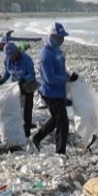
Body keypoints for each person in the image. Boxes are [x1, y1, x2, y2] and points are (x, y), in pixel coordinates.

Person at [32, 22, 78, 155]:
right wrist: (67, 79)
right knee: (63, 122)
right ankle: (60, 152)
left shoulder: (58, 52)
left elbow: (61, 70)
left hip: (59, 92)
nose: (61, 40)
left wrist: (69, 75)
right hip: (50, 93)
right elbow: (49, 78)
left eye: (62, 37)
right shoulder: (46, 54)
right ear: (51, 36)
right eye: (59, 37)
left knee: (57, 119)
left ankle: (37, 137)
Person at [0, 42, 37, 137]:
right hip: (16, 85)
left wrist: (24, 79)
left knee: (27, 108)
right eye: (9, 56)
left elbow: (32, 75)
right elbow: (7, 73)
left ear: (17, 52)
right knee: (16, 106)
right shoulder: (7, 60)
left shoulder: (26, 59)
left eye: (12, 55)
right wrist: (1, 81)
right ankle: (18, 125)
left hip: (28, 85)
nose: (11, 58)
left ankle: (27, 130)